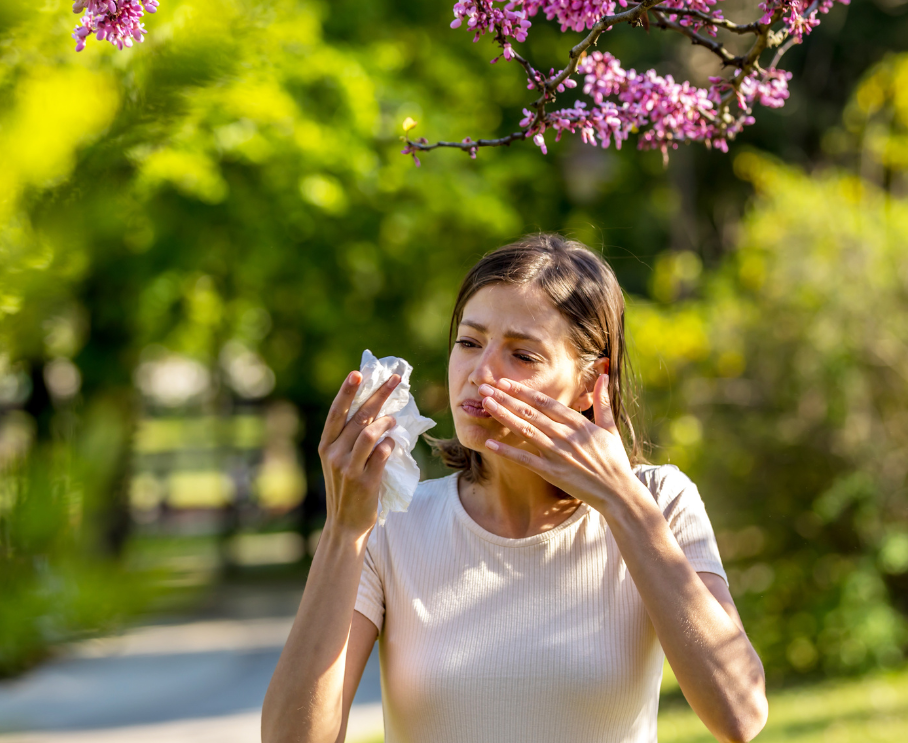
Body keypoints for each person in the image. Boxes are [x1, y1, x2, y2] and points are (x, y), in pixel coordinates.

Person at [262, 234, 767, 743]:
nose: (479, 374)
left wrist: (622, 501)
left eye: (522, 355)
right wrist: (343, 530)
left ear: (592, 383)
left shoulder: (660, 502)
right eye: (468, 343)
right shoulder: (394, 524)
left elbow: (740, 716)